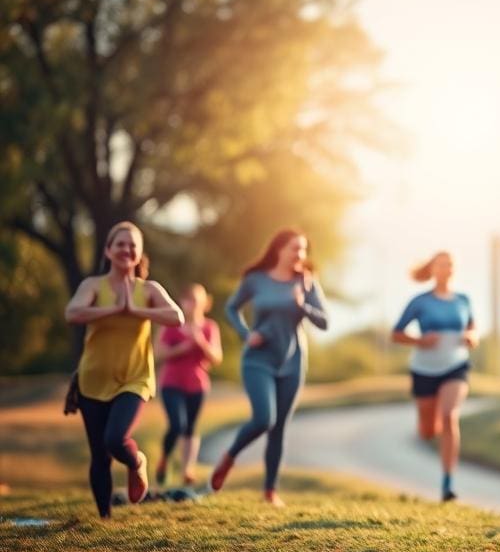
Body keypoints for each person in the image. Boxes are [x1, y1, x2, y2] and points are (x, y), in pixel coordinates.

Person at [65, 221, 183, 518]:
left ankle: (136, 462)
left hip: (135, 377)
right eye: (120, 243)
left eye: (133, 245)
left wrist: (137, 310)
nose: (126, 249)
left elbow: (176, 317)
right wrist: (114, 309)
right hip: (93, 379)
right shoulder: (93, 286)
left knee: (115, 438)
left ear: (139, 253)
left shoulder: (149, 289)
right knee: (100, 456)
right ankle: (104, 516)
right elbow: (72, 313)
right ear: (108, 250)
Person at [209, 229, 329, 506]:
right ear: (279, 250)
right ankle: (230, 456)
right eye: (294, 249)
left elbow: (325, 322)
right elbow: (231, 308)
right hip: (258, 358)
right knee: (264, 418)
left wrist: (304, 306)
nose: (300, 255)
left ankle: (270, 491)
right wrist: (245, 333)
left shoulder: (307, 283)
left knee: (279, 428)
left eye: (303, 250)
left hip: (293, 361)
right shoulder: (256, 280)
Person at [392, 251, 478, 501]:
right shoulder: (420, 301)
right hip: (424, 369)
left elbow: (473, 327)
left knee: (450, 417)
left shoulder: (463, 299)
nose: (447, 268)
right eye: (441, 264)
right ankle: (431, 427)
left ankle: (448, 484)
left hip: (456, 365)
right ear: (432, 269)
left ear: (454, 269)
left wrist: (472, 337)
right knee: (428, 431)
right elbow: (396, 333)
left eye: (450, 264)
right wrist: (419, 340)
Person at [155, 283, 223, 486]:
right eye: (187, 299)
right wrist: (184, 347)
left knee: (191, 428)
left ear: (205, 303)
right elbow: (159, 352)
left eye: (195, 299)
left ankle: (187, 470)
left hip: (197, 384)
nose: (191, 304)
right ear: (182, 303)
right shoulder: (171, 325)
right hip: (171, 382)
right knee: (177, 425)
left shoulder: (210, 327)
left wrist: (200, 341)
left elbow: (217, 358)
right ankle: (165, 459)